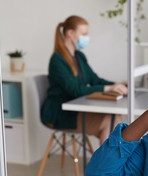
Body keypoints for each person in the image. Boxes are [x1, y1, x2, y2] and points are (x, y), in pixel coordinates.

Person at [41, 15, 127, 145]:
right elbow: (76, 90)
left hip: (75, 109)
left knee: (116, 120)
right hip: (60, 112)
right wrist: (109, 88)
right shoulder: (57, 60)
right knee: (112, 122)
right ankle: (105, 164)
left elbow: (94, 79)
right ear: (71, 33)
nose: (87, 38)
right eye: (84, 34)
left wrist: (116, 84)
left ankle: (107, 163)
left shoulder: (79, 56)